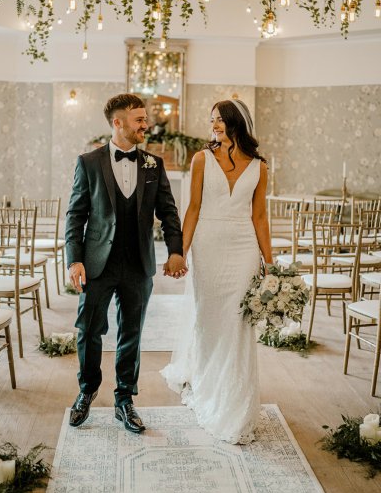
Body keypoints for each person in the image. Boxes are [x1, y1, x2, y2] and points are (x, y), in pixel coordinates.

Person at [66, 93, 187, 432]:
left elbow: (168, 211)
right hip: (96, 263)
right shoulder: (88, 162)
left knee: (131, 334)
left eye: (144, 119)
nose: (145, 125)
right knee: (88, 330)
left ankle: (125, 400)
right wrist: (74, 260)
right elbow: (75, 215)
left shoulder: (153, 163)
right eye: (138, 120)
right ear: (117, 123)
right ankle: (87, 391)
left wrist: (175, 250)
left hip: (138, 265)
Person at [161, 99, 273, 444]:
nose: (214, 125)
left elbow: (259, 217)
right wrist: (180, 252)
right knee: (209, 320)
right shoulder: (200, 159)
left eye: (220, 119)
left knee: (237, 323)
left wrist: (271, 264)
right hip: (208, 248)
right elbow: (192, 209)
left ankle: (235, 403)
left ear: (236, 122)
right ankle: (208, 386)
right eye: (212, 120)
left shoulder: (259, 166)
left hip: (243, 250)